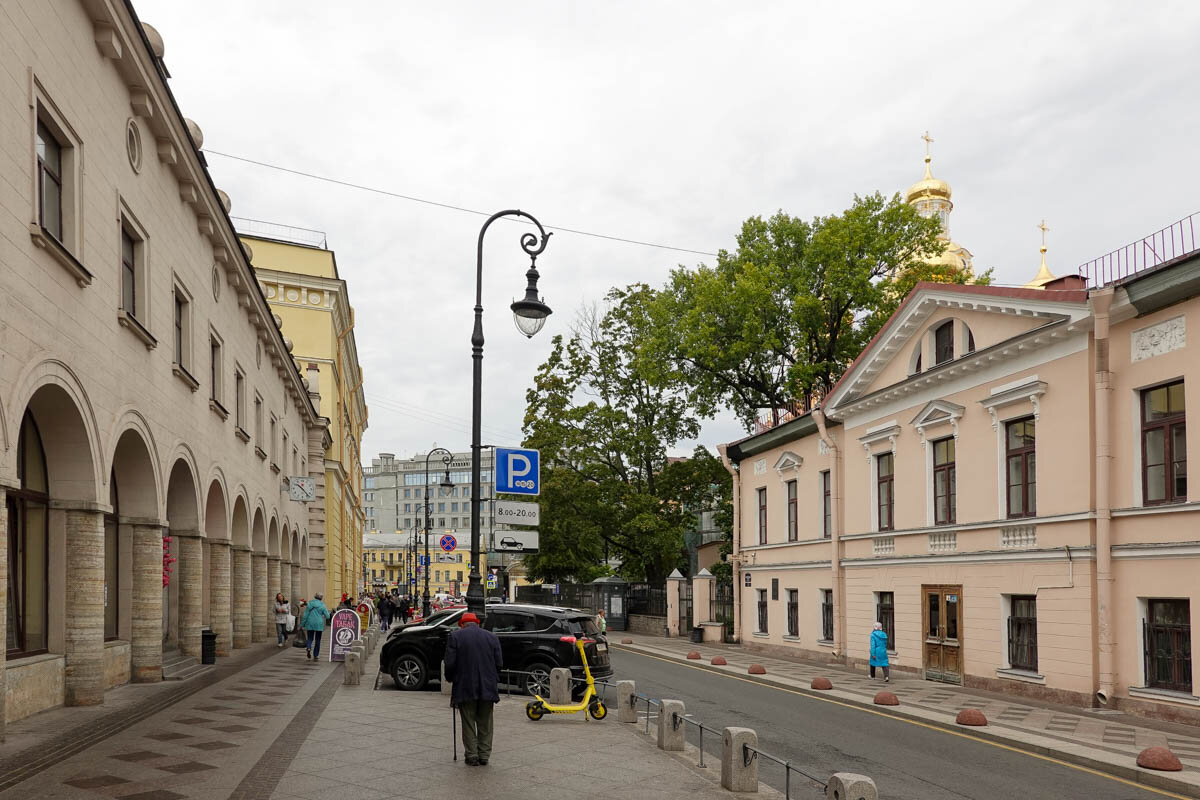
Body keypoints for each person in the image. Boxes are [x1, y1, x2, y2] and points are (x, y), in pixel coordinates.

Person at [444, 612, 503, 767]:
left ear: (462, 624)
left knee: (468, 721)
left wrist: (450, 678)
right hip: (487, 686)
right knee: (486, 722)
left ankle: (472, 755)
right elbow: (499, 664)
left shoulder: (456, 637)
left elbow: (450, 663)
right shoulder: (492, 637)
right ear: (477, 623)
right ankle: (484, 755)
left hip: (465, 685)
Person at [301, 593, 332, 660]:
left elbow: (305, 615)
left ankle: (308, 647)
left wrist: (302, 624)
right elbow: (328, 616)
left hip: (310, 623)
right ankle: (316, 655)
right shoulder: (323, 605)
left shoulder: (310, 603)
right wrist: (322, 615)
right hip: (319, 624)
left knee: (310, 638)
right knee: (318, 640)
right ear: (321, 598)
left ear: (315, 597)